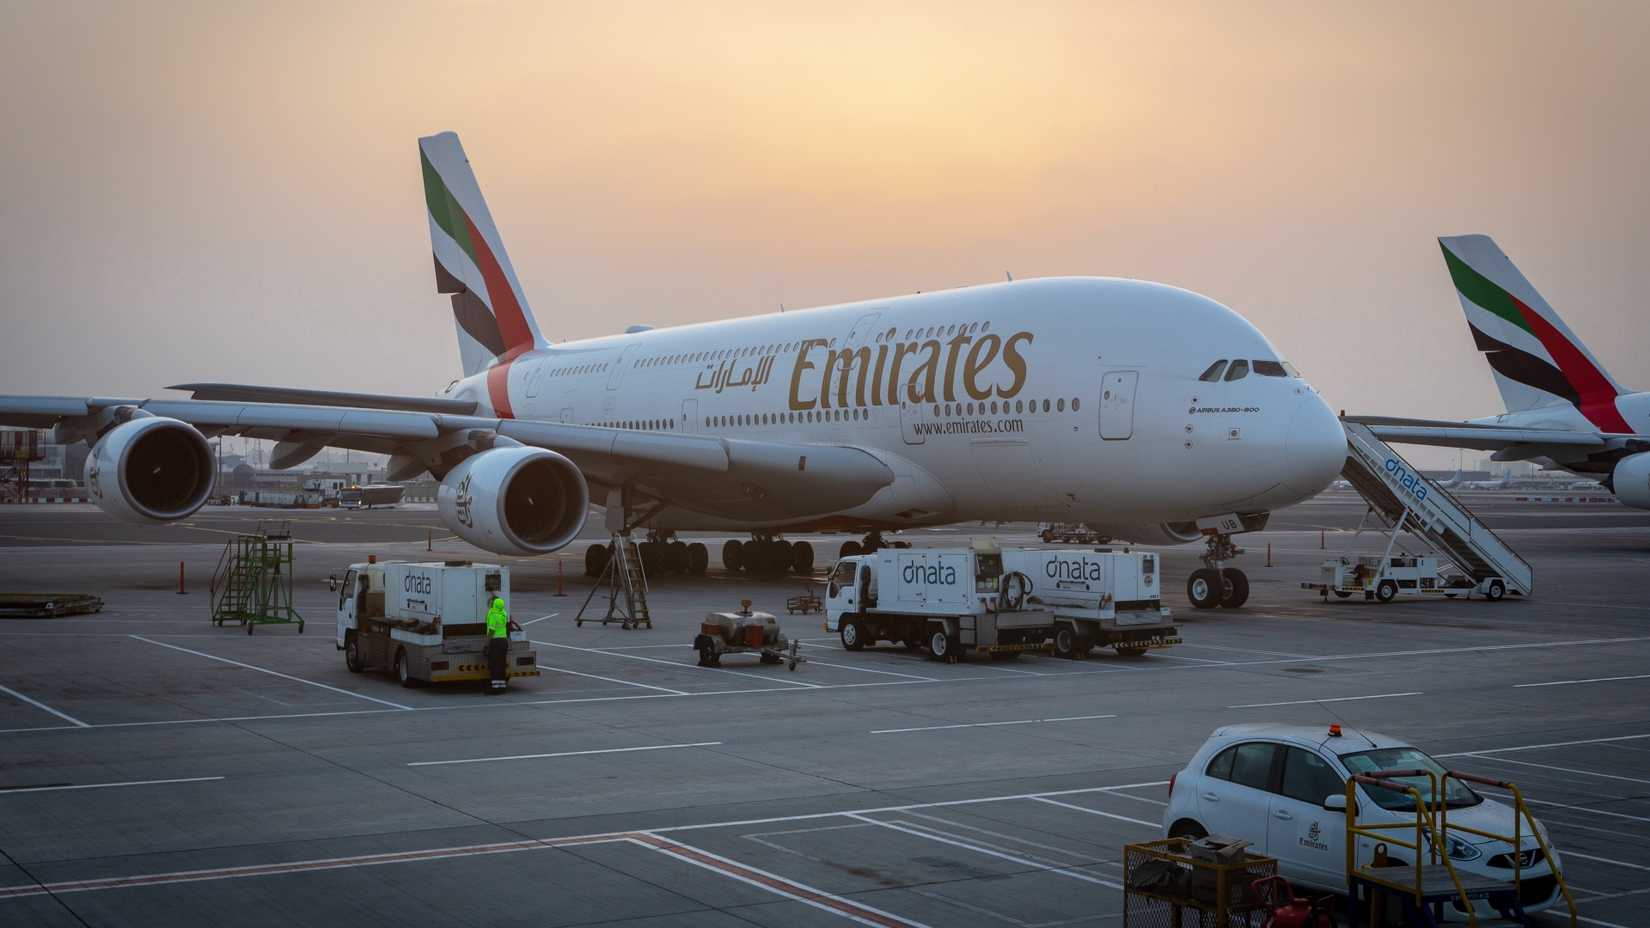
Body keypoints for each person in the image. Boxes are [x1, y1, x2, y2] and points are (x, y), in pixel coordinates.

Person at [485, 595, 510, 693]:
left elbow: (491, 630)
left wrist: (487, 643)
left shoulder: (492, 614)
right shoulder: (503, 613)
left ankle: (495, 688)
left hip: (496, 642)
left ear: (494, 604)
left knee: (494, 665)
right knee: (501, 664)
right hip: (504, 641)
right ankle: (502, 686)